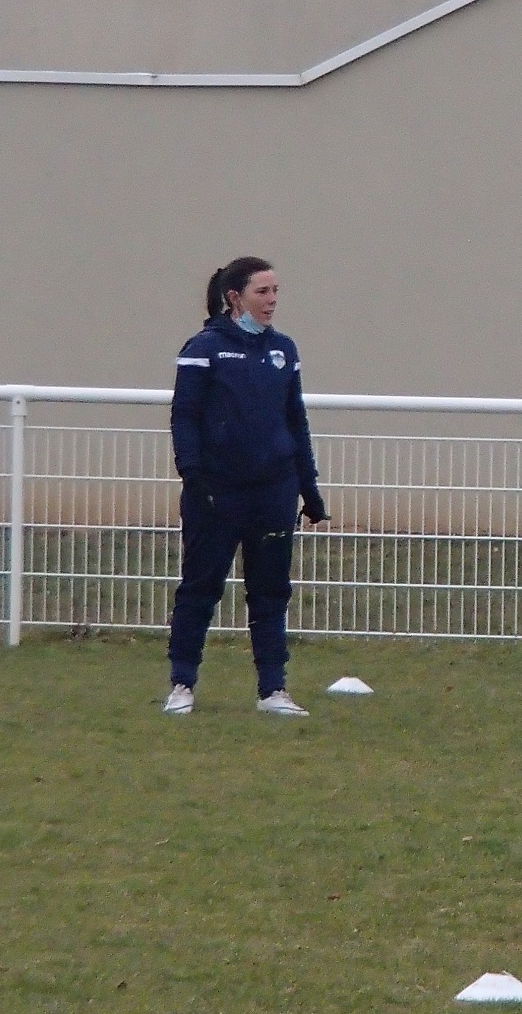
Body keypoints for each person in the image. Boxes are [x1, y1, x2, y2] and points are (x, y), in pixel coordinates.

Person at [162, 257, 329, 717]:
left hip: (274, 490)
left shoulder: (284, 351)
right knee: (200, 587)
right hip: (217, 492)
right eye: (262, 291)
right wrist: (194, 475)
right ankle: (182, 684)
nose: (272, 300)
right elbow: (184, 416)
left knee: (271, 590)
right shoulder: (204, 348)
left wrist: (309, 489)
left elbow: (295, 421)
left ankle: (273, 690)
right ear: (235, 297)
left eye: (276, 291)